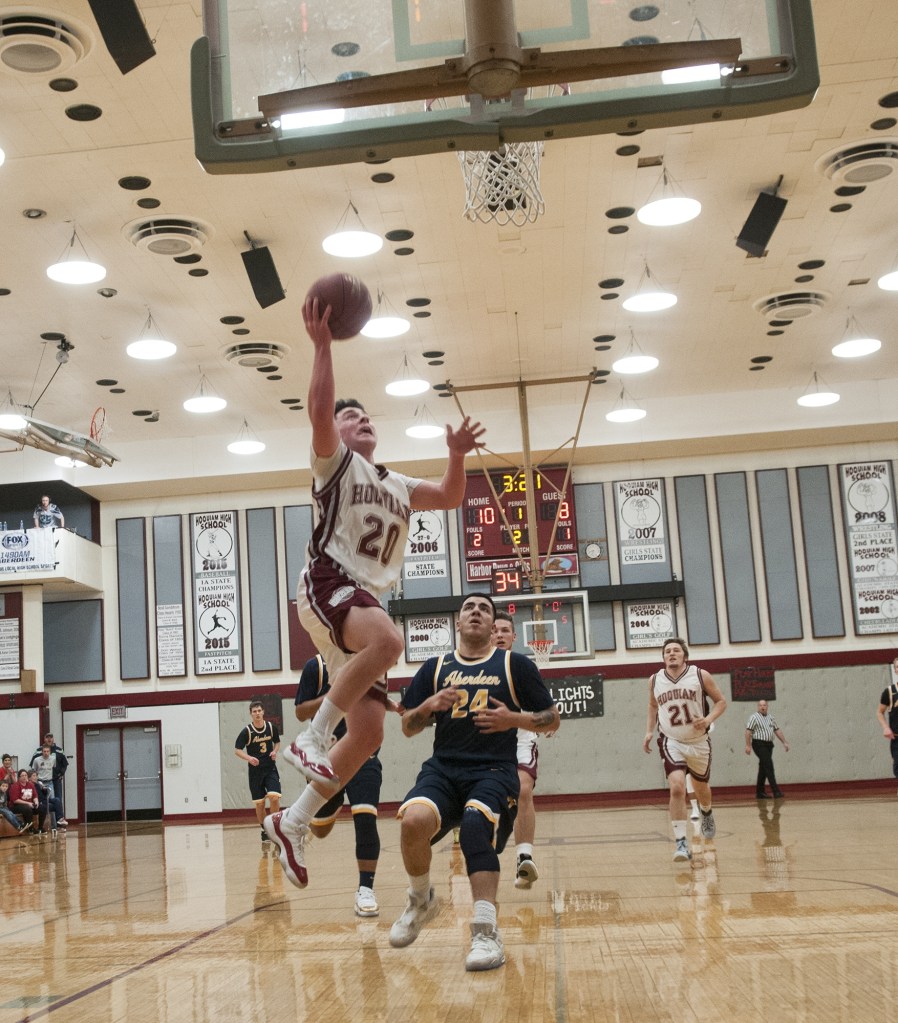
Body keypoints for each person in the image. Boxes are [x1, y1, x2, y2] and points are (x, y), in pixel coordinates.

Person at [265, 296, 484, 889]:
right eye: (350, 415)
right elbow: (318, 410)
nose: (361, 419)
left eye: (366, 415)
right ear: (333, 433)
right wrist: (321, 346)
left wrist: (456, 455)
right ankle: (310, 737)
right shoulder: (334, 464)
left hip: (361, 601)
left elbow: (449, 495)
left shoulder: (396, 481)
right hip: (330, 580)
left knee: (367, 735)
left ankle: (293, 820)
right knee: (388, 641)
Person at [390, 593, 560, 972]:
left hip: (494, 770)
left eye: (484, 608)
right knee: (413, 821)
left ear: (492, 624)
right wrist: (427, 707)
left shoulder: (514, 665)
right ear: (458, 622)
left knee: (473, 828)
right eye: (469, 607)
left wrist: (513, 720)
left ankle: (485, 931)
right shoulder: (435, 668)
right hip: (443, 768)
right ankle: (421, 900)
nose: (477, 613)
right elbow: (406, 726)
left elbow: (552, 717)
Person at [295, 653, 391, 916]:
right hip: (326, 758)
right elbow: (300, 711)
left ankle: (366, 890)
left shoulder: (374, 662)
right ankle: (318, 817)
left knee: (366, 819)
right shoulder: (316, 666)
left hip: (364, 757)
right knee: (322, 829)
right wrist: (335, 698)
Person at [643, 637, 727, 862]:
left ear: (685, 656)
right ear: (663, 657)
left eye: (676, 651)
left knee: (701, 789)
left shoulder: (701, 676)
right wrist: (649, 731)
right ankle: (681, 842)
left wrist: (708, 719)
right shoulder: (654, 680)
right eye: (667, 651)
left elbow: (721, 702)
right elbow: (653, 705)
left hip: (699, 741)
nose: (671, 653)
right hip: (671, 741)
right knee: (678, 787)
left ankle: (706, 811)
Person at [491, 609, 553, 890]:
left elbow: (545, 709)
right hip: (486, 743)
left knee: (523, 789)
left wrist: (545, 721)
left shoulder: (523, 667)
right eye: (495, 630)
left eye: (505, 630)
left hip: (521, 740)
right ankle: (502, 826)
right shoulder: (471, 667)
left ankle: (524, 858)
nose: (499, 634)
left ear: (514, 637)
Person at [234, 699, 282, 843]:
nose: (257, 713)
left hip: (270, 768)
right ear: (251, 714)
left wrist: (274, 751)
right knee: (260, 804)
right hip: (255, 771)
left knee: (274, 797)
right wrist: (249, 758)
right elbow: (237, 750)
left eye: (259, 711)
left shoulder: (271, 727)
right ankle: (264, 829)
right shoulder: (247, 731)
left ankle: (275, 827)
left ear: (263, 712)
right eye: (254, 711)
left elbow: (277, 742)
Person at [745, 699, 789, 799]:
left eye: (764, 705)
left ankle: (760, 792)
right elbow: (748, 731)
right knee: (769, 765)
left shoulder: (771, 718)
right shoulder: (754, 717)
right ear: (758, 707)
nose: (762, 707)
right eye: (760, 705)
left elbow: (777, 730)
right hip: (758, 743)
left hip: (769, 744)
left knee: (763, 767)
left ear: (767, 706)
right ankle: (776, 791)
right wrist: (748, 745)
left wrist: (784, 742)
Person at [30, 745, 69, 826]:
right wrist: (37, 782)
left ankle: (55, 823)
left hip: (50, 782)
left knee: (54, 801)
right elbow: (34, 771)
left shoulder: (53, 759)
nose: (46, 753)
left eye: (48, 751)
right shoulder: (37, 760)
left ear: (50, 752)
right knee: (43, 801)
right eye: (44, 751)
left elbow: (53, 768)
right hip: (40, 782)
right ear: (42, 752)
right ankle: (44, 824)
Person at [876, 656, 898, 791]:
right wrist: (885, 728)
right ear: (895, 670)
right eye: (897, 667)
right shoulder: (889, 692)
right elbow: (879, 712)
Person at [32, 733, 68, 805]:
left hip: (56, 779)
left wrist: (61, 773)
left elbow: (65, 764)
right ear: (44, 739)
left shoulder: (59, 750)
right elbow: (33, 766)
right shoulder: (38, 751)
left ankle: (57, 816)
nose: (49, 739)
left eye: (51, 737)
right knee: (42, 800)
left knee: (57, 799)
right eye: (47, 737)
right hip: (41, 780)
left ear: (53, 739)